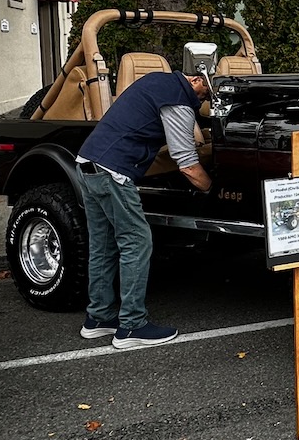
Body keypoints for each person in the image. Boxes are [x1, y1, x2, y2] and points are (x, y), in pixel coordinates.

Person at [76, 69, 213, 349]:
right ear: (196, 81)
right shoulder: (177, 98)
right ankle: (131, 326)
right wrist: (212, 188)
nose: (204, 102)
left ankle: (98, 318)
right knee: (137, 241)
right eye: (205, 95)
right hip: (114, 171)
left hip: (87, 162)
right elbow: (185, 162)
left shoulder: (156, 80)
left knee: (102, 245)